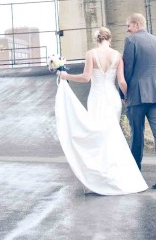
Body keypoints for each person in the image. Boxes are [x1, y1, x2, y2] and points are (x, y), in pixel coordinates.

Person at [54, 27, 147, 195]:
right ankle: (119, 177)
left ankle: (100, 178)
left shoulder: (91, 54)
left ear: (97, 39)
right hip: (112, 99)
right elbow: (122, 82)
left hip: (96, 98)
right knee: (113, 135)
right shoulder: (117, 56)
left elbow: (86, 77)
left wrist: (66, 76)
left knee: (98, 136)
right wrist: (126, 97)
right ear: (109, 39)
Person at [122, 12, 156, 190]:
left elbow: (128, 70)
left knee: (137, 135)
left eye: (128, 26)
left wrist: (124, 94)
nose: (127, 30)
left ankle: (134, 175)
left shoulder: (131, 41)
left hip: (137, 95)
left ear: (136, 25)